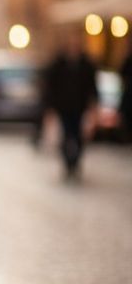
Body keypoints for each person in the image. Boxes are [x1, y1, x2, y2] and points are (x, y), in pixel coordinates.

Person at [42, 34, 98, 178]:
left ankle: (75, 162)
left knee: (78, 136)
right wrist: (50, 107)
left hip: (80, 107)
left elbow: (92, 86)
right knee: (66, 135)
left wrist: (93, 106)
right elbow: (50, 86)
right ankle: (68, 163)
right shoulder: (58, 64)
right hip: (63, 107)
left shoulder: (86, 64)